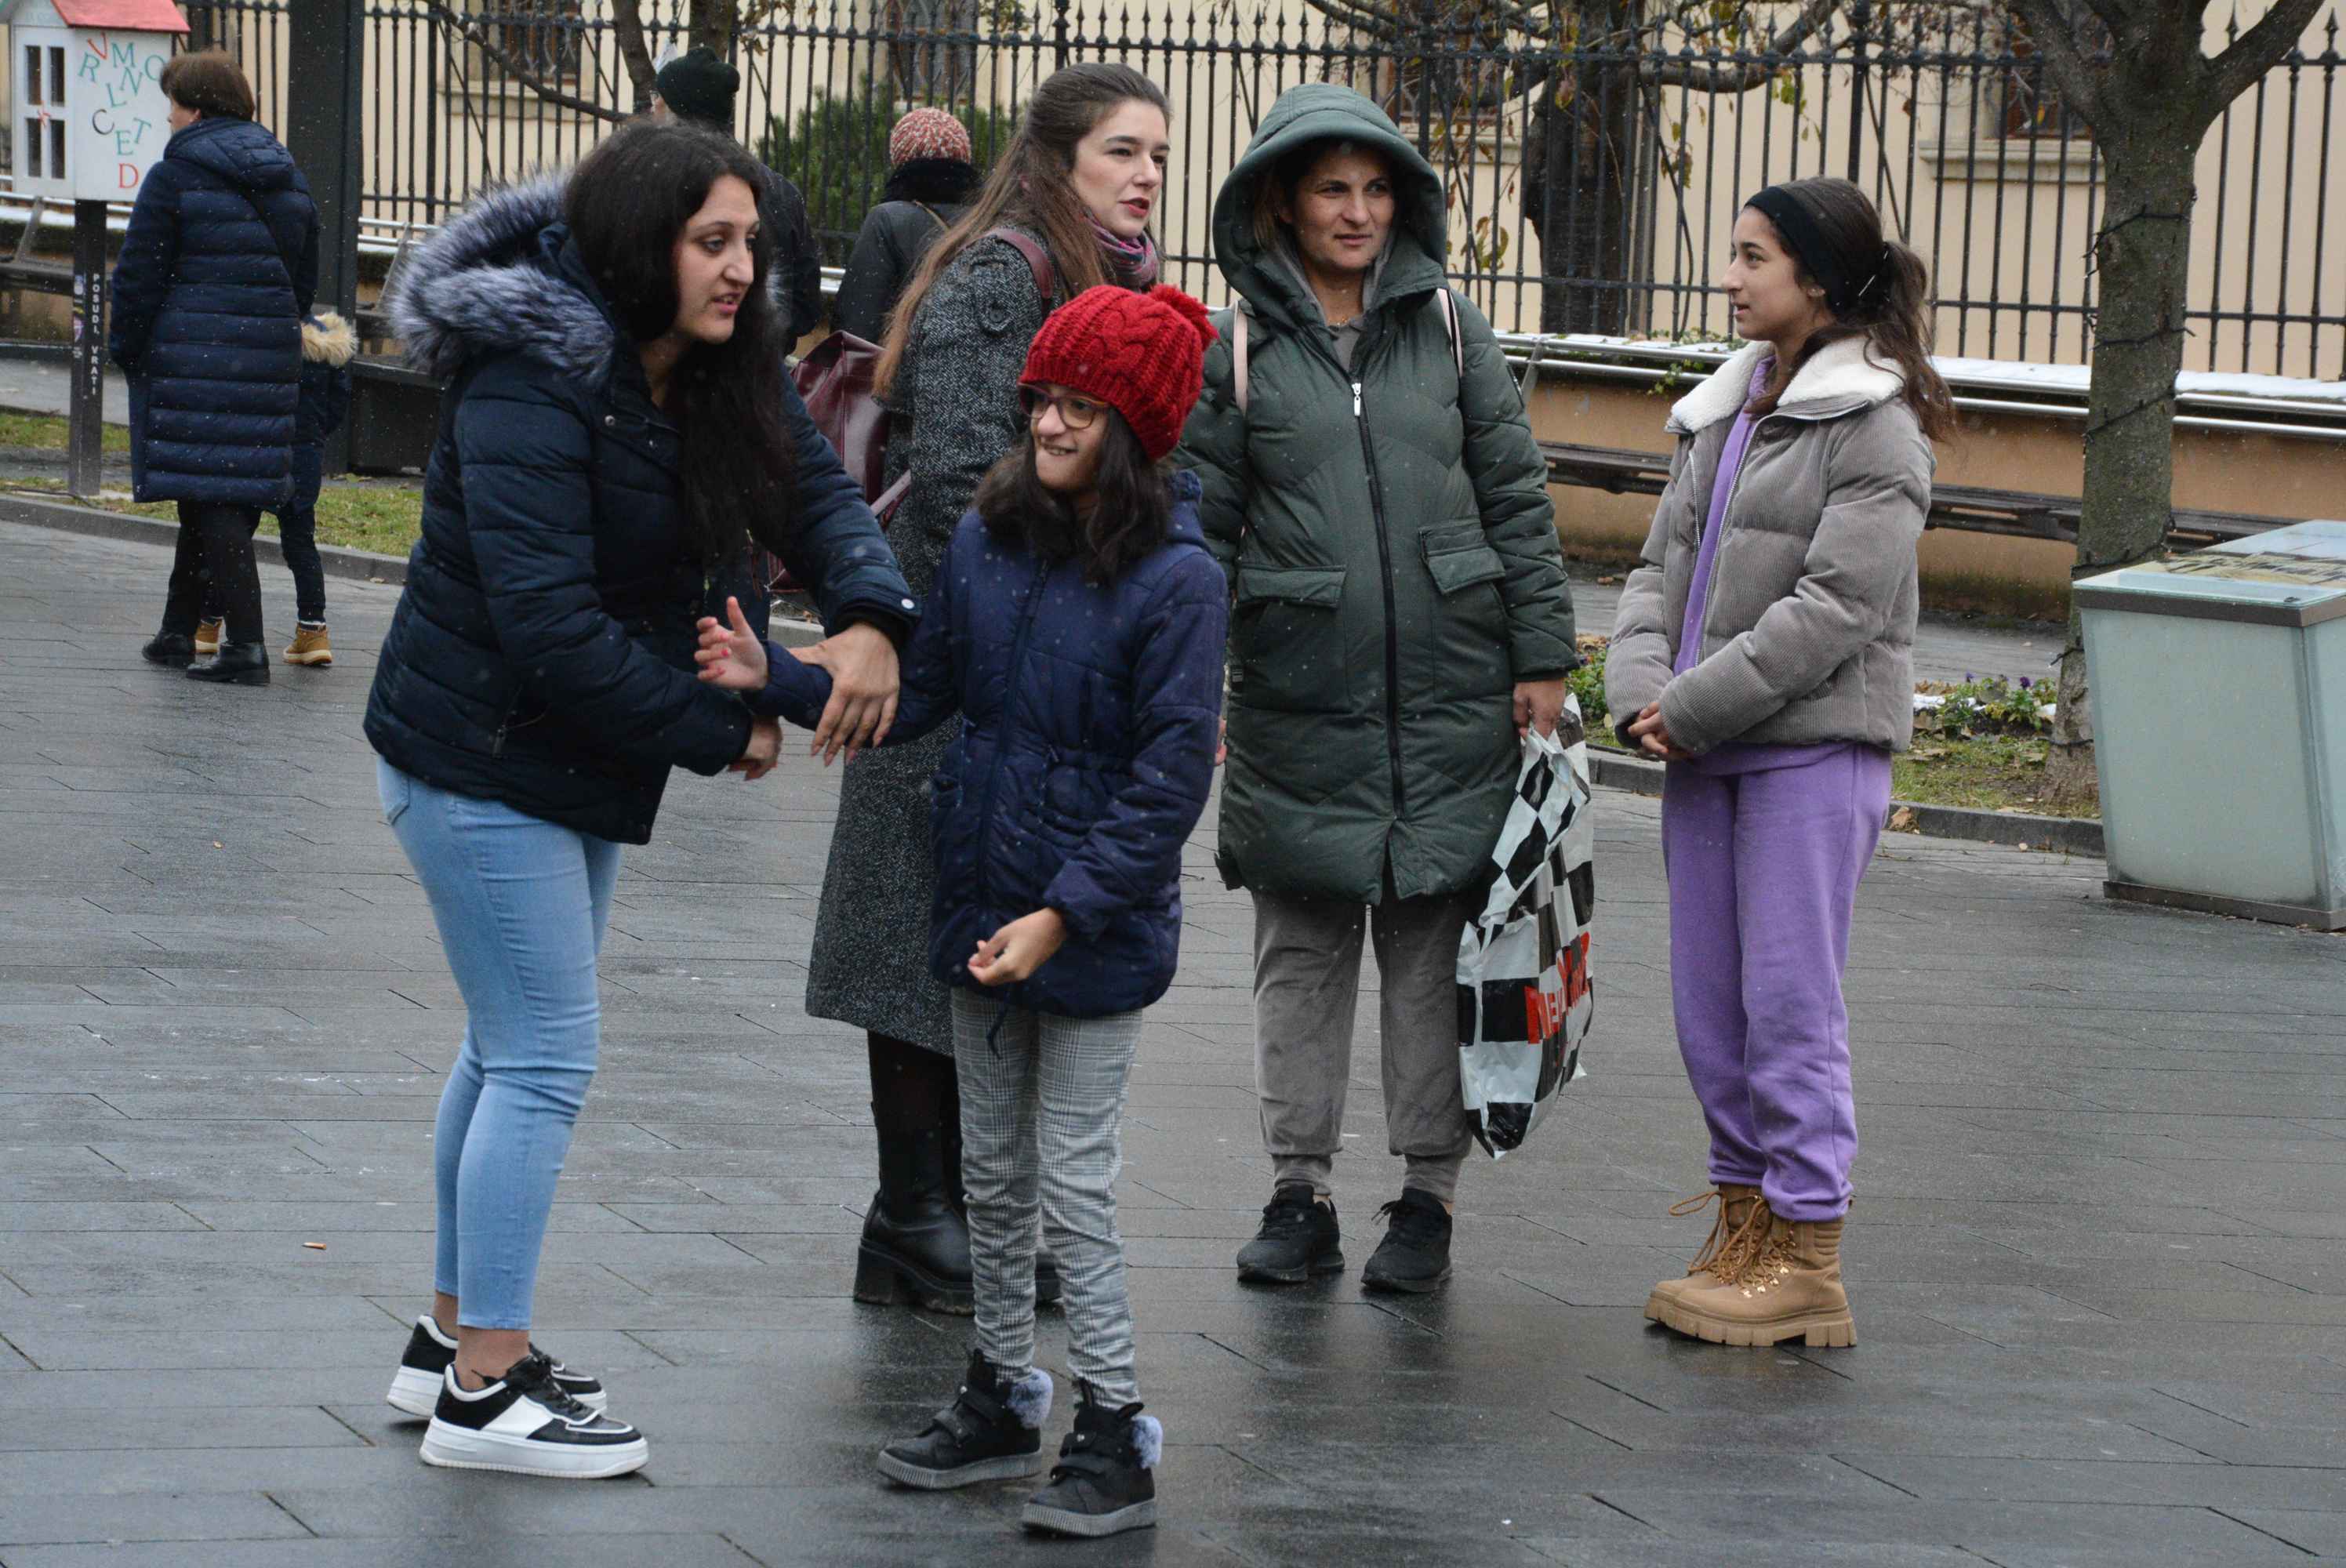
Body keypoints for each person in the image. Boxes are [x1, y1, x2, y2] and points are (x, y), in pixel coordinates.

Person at [365, 119, 914, 1479]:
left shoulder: (722, 363)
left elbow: (818, 494)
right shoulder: (528, 371)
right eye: (710, 243)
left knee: (506, 1046)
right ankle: (488, 1394)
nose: (741, 271)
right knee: (545, 1051)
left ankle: (448, 1347)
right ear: (637, 245)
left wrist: (871, 617)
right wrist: (718, 728)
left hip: (570, 757)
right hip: (480, 752)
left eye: (752, 245)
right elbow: (544, 622)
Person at [697, 282, 1224, 1540]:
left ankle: (1115, 1428)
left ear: (1136, 427)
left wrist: (1063, 915)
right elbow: (917, 691)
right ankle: (1001, 1390)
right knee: (989, 1176)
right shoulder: (990, 540)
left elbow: (1164, 791)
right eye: (1043, 396)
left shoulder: (1182, 581)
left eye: (1080, 406)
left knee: (1073, 1187)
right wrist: (772, 673)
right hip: (976, 908)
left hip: (1086, 935)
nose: (1048, 421)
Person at [1175, 83, 1578, 1294]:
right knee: (1299, 956)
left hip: (1455, 697)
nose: (1356, 212)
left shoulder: (1452, 328)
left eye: (1375, 188)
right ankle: (1297, 1195)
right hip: (1298, 700)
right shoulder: (1236, 346)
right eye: (1330, 189)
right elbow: (1203, 530)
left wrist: (1542, 655)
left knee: (1430, 954)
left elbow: (1515, 497)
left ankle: (1426, 1205)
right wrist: (1199, 689)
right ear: (1281, 207)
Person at [815, 61, 1173, 1317]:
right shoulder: (1000, 275)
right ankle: (915, 1217)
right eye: (1124, 153)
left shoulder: (1101, 282)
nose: (1145, 178)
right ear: (1060, 158)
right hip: (950, 651)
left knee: (971, 941)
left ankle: (945, 1217)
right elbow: (977, 470)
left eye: (1158, 159)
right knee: (913, 950)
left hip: (1032, 661)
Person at [1605, 176, 1952, 1350]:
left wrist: (1694, 705)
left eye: (1755, 257)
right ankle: (1743, 1231)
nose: (1732, 276)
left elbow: (1837, 609)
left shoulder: (1878, 424)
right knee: (1713, 1008)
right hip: (1706, 749)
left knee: (1789, 1005)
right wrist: (1643, 691)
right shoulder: (1726, 409)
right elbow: (1655, 573)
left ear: (1818, 278)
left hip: (1809, 753)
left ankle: (1807, 1260)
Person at [118, 49, 318, 687]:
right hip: (265, 359)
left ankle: (247, 648)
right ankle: (178, 632)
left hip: (190, 358)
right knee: (213, 491)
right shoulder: (290, 181)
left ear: (197, 108)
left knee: (215, 501)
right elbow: (303, 283)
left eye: (173, 105)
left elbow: (139, 279)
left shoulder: (174, 178)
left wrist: (129, 349)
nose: (170, 119)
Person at [192, 308, 354, 668]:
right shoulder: (329, 342)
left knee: (235, 539)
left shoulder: (259, 332)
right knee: (300, 543)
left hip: (256, 450)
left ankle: (207, 626)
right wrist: (309, 436)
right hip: (303, 456)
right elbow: (338, 404)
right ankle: (313, 631)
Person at [653, 45, 824, 342]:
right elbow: (805, 307)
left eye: (659, 100)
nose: (652, 108)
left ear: (677, 110)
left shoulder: (658, 186)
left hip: (686, 369)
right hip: (765, 369)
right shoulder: (781, 191)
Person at [831, 107, 983, 343]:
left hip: (901, 371)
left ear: (899, 158)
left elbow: (857, 323)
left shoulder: (887, 220)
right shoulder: (992, 219)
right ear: (964, 156)